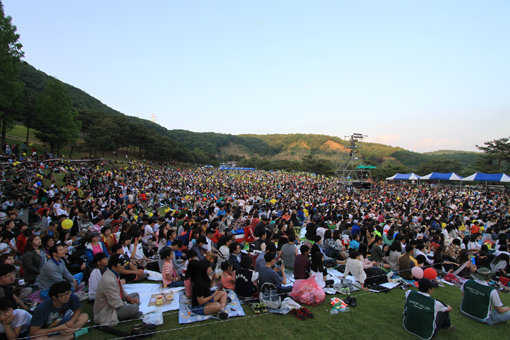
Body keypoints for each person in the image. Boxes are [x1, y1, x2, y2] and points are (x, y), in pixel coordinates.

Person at [93, 254, 140, 326]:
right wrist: (127, 304)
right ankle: (131, 313)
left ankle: (131, 311)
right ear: (114, 266)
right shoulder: (109, 280)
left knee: (136, 294)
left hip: (116, 301)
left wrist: (129, 299)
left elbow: (121, 289)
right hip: (108, 310)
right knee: (133, 308)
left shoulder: (114, 273)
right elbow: (116, 303)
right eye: (122, 264)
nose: (124, 266)